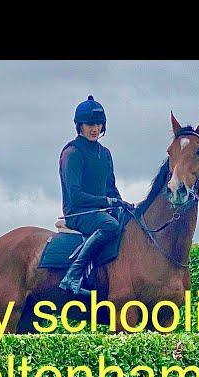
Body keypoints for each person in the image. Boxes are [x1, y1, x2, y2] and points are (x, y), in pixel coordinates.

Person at [58, 95, 132, 296]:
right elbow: (75, 196)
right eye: (90, 124)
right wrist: (107, 202)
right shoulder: (72, 153)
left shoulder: (105, 153)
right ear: (79, 126)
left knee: (128, 222)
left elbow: (111, 188)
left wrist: (122, 204)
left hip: (101, 211)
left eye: (98, 124)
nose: (95, 128)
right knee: (110, 225)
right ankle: (73, 276)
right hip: (78, 213)